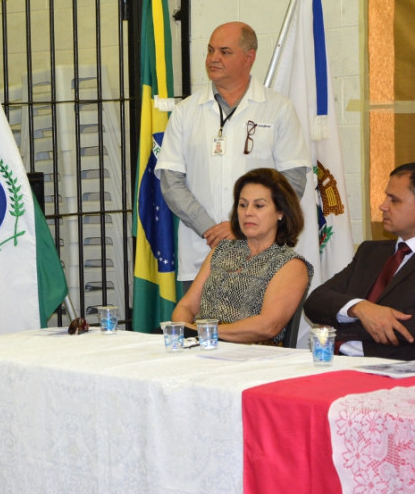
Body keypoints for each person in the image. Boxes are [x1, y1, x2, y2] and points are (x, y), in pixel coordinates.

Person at [155, 21, 311, 290]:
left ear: (249, 58)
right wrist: (210, 228)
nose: (213, 58)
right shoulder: (186, 111)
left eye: (225, 52)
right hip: (202, 252)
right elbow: (171, 181)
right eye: (210, 50)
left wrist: (239, 227)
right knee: (200, 329)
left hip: (260, 256)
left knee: (256, 332)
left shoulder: (278, 109)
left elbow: (293, 180)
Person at [171, 169, 312, 345]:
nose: (248, 213)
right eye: (243, 205)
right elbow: (186, 306)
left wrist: (204, 333)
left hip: (252, 358)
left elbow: (268, 326)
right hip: (199, 346)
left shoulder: (291, 265)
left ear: (280, 212)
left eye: (259, 206)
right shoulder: (221, 250)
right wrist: (184, 331)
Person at [305, 163, 415, 360]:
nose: (383, 205)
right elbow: (316, 301)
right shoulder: (370, 252)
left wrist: (338, 322)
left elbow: (408, 331)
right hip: (336, 362)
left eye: (394, 200)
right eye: (385, 196)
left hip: (393, 373)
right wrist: (360, 308)